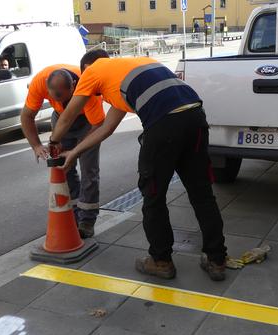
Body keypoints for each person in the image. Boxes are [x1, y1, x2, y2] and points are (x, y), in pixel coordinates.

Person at [48, 49, 228, 281]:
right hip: (195, 117)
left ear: (86, 71)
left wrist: (54, 142)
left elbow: (66, 117)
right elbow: (106, 128)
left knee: (153, 196)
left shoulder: (92, 70)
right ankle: (217, 260)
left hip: (164, 124)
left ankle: (161, 261)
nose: (93, 93)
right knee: (202, 193)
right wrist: (74, 152)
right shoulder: (129, 70)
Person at [20, 64, 105, 238]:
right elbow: (27, 116)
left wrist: (77, 150)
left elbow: (98, 126)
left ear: (73, 85)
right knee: (64, 168)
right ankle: (73, 215)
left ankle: (87, 221)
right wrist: (36, 145)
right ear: (47, 88)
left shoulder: (88, 86)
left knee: (89, 170)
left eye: (64, 98)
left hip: (88, 123)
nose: (59, 102)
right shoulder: (39, 83)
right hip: (60, 119)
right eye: (54, 98)